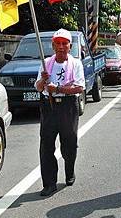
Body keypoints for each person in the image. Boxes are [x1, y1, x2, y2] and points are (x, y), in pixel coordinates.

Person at [34, 29, 85, 197]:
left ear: (70, 46)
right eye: (58, 43)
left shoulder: (76, 64)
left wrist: (58, 88)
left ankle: (69, 171)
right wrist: (43, 79)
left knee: (69, 143)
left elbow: (79, 87)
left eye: (65, 43)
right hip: (49, 107)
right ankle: (49, 183)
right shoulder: (46, 62)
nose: (61, 47)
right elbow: (38, 87)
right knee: (46, 145)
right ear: (53, 45)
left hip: (68, 106)